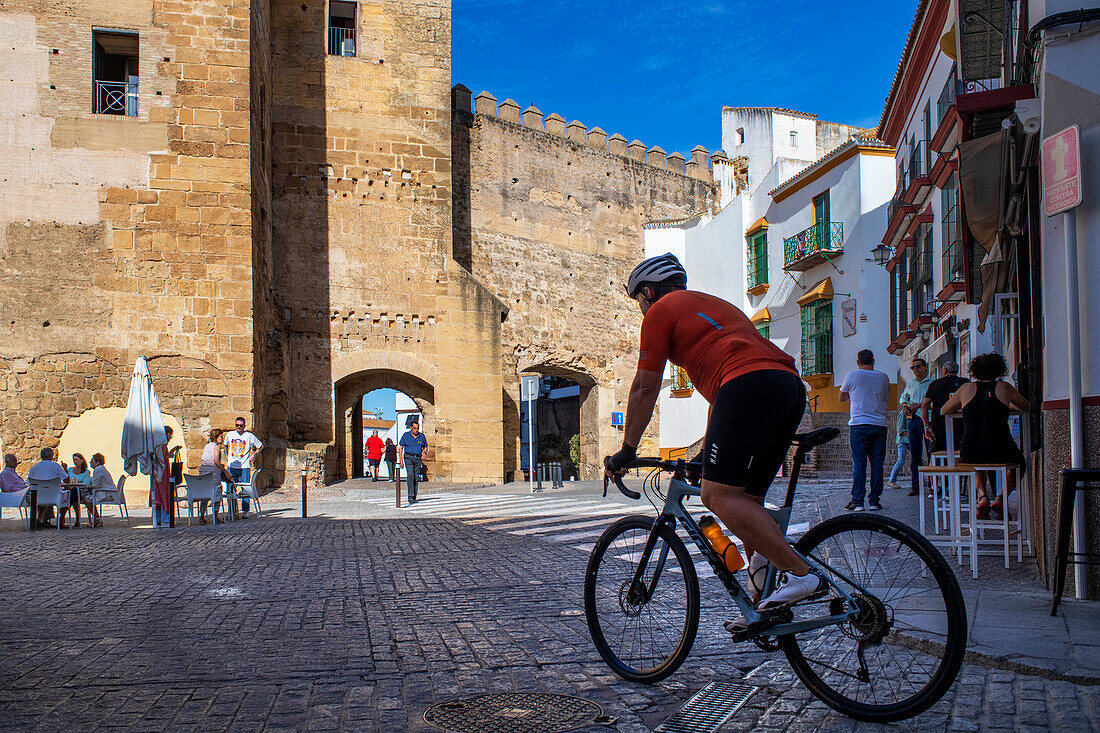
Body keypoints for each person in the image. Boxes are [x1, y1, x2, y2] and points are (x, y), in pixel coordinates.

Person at [605, 253, 821, 618]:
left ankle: (801, 573)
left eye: (638, 302)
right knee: (746, 501)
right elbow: (720, 400)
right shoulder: (718, 307)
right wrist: (705, 454)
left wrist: (627, 449)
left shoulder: (661, 310)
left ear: (647, 292)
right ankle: (763, 593)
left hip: (746, 386)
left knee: (716, 495)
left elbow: (645, 386)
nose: (641, 311)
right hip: (787, 386)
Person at [941, 353, 1029, 520]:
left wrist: (964, 408)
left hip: (970, 450)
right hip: (1001, 448)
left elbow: (944, 410)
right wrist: (1007, 404)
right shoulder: (1004, 388)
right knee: (1020, 464)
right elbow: (1026, 406)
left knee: (976, 462)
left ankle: (982, 497)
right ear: (998, 369)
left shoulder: (966, 389)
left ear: (974, 371)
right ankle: (1001, 498)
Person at [839, 349, 890, 511]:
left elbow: (841, 397)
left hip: (859, 424)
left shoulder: (852, 375)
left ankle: (858, 501)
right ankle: (874, 501)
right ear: (873, 361)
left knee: (859, 464)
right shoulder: (883, 377)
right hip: (879, 424)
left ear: (857, 362)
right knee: (877, 464)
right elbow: (885, 398)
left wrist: (853, 394)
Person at [900, 357, 933, 497]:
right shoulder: (911, 383)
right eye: (912, 368)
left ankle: (933, 485)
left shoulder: (932, 383)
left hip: (929, 420)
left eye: (917, 366)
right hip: (914, 421)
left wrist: (919, 405)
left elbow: (936, 402)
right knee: (915, 455)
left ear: (925, 367)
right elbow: (903, 398)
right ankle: (915, 485)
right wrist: (905, 407)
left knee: (932, 454)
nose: (915, 370)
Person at [922, 361, 969, 454]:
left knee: (938, 453)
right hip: (961, 424)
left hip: (939, 424)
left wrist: (927, 426)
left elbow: (925, 405)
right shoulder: (965, 383)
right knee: (958, 452)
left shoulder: (935, 384)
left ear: (945, 370)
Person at [226, 416, 263, 517]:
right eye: (237, 425)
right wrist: (226, 457)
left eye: (240, 425)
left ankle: (245, 511)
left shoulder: (249, 436)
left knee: (245, 489)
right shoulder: (230, 435)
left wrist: (252, 457)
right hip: (232, 466)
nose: (239, 427)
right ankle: (233, 511)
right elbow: (225, 445)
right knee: (231, 489)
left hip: (244, 466)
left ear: (244, 426)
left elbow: (260, 446)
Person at [196, 429, 233, 523]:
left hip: (203, 471)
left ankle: (201, 516)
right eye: (221, 436)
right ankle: (215, 516)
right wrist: (225, 471)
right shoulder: (216, 447)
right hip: (213, 472)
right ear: (216, 437)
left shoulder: (207, 446)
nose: (222, 438)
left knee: (204, 494)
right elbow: (216, 461)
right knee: (217, 493)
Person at [27, 447, 70, 528]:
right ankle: (60, 521)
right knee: (67, 496)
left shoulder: (34, 468)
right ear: (51, 456)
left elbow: (29, 483)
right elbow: (67, 481)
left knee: (44, 499)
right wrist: (65, 469)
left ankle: (39, 520)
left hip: (39, 497)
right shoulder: (56, 466)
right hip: (55, 496)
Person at [398, 421, 427, 504]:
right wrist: (401, 461)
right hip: (408, 457)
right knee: (411, 475)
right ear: (411, 427)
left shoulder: (421, 436)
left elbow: (425, 447)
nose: (416, 430)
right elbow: (401, 448)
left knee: (416, 477)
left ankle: (414, 496)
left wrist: (424, 453)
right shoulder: (406, 436)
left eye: (417, 428)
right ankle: (410, 496)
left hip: (417, 458)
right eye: (414, 428)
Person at [887, 405, 911, 489]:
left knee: (918, 458)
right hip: (903, 441)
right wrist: (910, 435)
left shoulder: (908, 415)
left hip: (908, 440)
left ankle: (920, 479)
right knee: (901, 461)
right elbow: (900, 429)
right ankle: (891, 480)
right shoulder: (902, 414)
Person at [87, 453, 114, 527]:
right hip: (107, 491)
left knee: (86, 499)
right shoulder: (101, 469)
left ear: (97, 462)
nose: (90, 462)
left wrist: (88, 487)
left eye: (92, 461)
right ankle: (96, 517)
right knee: (86, 498)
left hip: (105, 493)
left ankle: (96, 518)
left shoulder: (98, 469)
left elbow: (96, 485)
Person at [67, 453, 93, 526]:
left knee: (74, 493)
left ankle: (63, 519)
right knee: (74, 493)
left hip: (81, 492)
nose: (75, 462)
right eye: (74, 460)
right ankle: (77, 519)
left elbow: (85, 483)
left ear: (82, 460)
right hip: (71, 491)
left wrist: (75, 482)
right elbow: (67, 480)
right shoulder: (70, 470)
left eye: (77, 460)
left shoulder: (86, 472)